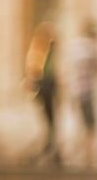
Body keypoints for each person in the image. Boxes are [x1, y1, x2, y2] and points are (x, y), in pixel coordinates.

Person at [66, 19, 97, 168]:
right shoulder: (90, 48)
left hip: (74, 90)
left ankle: (78, 156)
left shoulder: (75, 46)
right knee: (90, 127)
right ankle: (88, 158)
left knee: (79, 124)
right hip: (86, 92)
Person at [24, 21, 61, 166]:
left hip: (49, 86)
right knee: (48, 119)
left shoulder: (48, 52)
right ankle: (48, 146)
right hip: (44, 86)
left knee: (51, 120)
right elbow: (34, 70)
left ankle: (50, 146)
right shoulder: (38, 50)